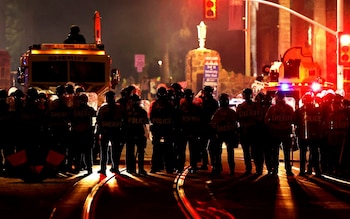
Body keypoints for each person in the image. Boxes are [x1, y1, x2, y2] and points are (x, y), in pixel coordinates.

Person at [264, 90, 295, 176]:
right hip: (276, 132)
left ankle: (287, 169)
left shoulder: (289, 108)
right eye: (279, 96)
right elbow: (266, 120)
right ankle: (276, 169)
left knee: (286, 152)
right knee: (275, 152)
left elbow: (293, 119)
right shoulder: (272, 108)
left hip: (285, 131)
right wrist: (273, 124)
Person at [209, 93, 239, 175]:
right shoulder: (220, 112)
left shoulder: (226, 112)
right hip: (223, 133)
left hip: (227, 133)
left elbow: (236, 123)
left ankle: (225, 168)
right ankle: (221, 167)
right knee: (220, 152)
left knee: (226, 152)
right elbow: (213, 123)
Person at [96, 91, 124, 175]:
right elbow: (99, 121)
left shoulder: (106, 108)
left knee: (111, 151)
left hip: (113, 132)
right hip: (109, 131)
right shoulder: (105, 108)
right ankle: (107, 168)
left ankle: (111, 167)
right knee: (107, 151)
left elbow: (99, 121)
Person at [295, 93, 322, 177]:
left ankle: (312, 170)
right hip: (304, 134)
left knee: (313, 153)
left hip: (312, 135)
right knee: (310, 153)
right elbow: (294, 121)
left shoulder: (316, 111)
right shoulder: (300, 111)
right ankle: (307, 171)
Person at [149, 87, 176, 173]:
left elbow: (151, 117)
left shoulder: (156, 104)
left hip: (162, 129)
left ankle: (157, 167)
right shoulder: (168, 104)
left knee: (158, 149)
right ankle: (168, 167)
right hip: (164, 129)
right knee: (167, 149)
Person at [177, 89, 203, 173]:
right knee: (183, 150)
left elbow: (199, 121)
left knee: (191, 150)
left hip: (191, 131)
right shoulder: (181, 108)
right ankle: (183, 166)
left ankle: (191, 166)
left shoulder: (195, 108)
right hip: (184, 131)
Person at [236, 88, 261, 175]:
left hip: (254, 131)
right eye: (245, 94)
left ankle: (258, 169)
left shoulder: (256, 106)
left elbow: (260, 119)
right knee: (246, 152)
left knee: (255, 152)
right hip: (245, 131)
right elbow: (238, 119)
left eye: (248, 94)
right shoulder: (241, 107)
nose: (247, 96)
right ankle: (249, 169)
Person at [70, 94, 96, 174]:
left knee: (80, 152)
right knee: (86, 152)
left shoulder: (75, 109)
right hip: (85, 133)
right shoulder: (89, 109)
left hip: (80, 133)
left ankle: (80, 167)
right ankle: (87, 168)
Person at [124, 94, 149, 175]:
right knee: (138, 152)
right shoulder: (141, 111)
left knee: (133, 152)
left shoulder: (128, 112)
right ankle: (138, 169)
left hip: (134, 134)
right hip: (135, 133)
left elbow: (145, 124)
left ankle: (132, 169)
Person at [198, 86, 219, 170]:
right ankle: (209, 163)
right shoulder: (211, 102)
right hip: (207, 127)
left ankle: (210, 163)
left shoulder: (208, 102)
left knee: (208, 147)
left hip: (209, 126)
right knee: (205, 147)